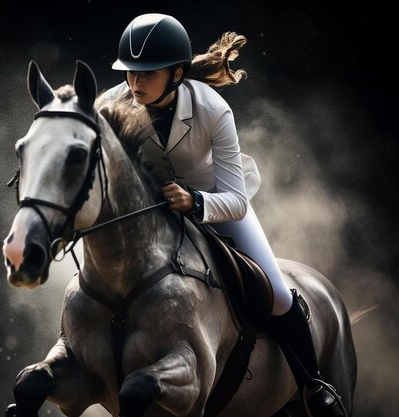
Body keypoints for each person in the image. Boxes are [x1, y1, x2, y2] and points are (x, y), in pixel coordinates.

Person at [100, 13, 344, 417]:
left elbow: (237, 198)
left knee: (278, 295)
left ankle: (314, 383)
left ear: (177, 74)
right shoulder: (111, 104)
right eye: (130, 73)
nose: (135, 84)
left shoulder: (213, 109)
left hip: (216, 202)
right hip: (150, 214)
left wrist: (195, 202)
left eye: (147, 74)